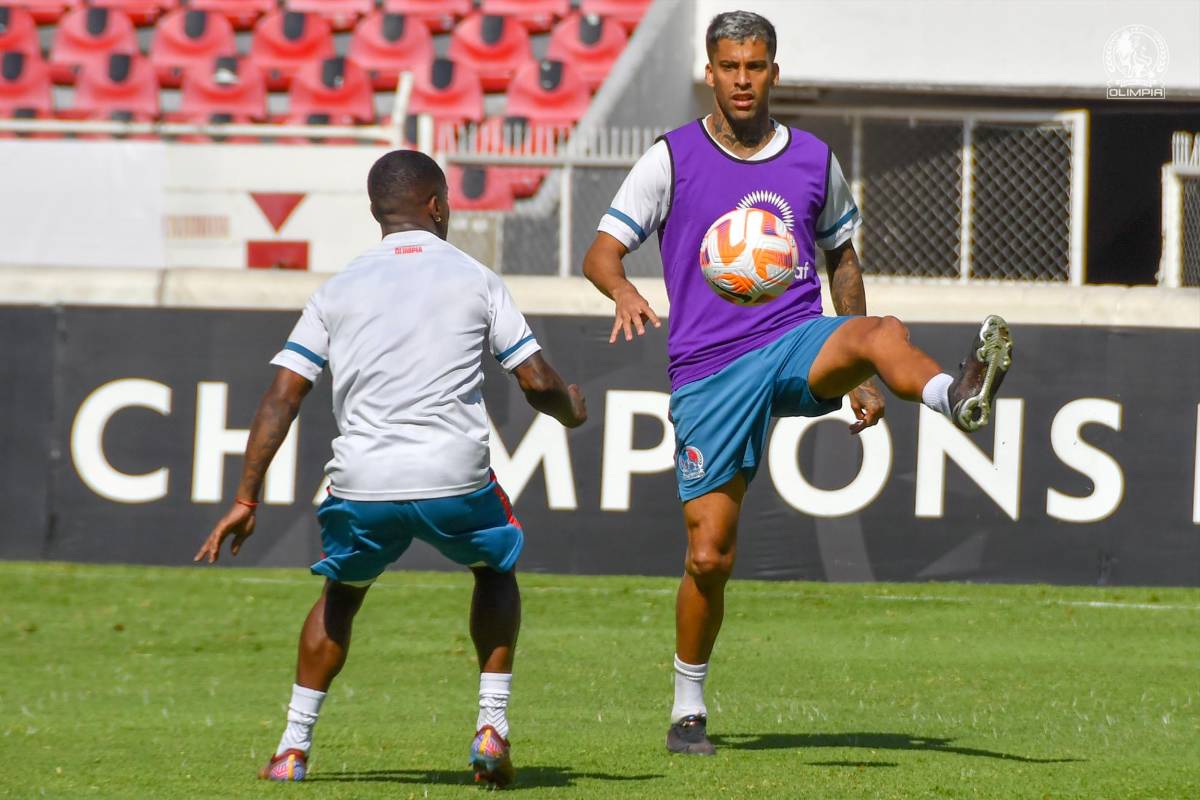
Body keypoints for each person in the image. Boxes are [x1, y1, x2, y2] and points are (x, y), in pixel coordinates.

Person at [582, 11, 1012, 756]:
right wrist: (621, 290)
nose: (742, 80)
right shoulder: (671, 159)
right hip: (709, 373)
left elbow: (843, 259)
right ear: (709, 73)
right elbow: (600, 253)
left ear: (774, 72)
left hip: (792, 341)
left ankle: (955, 398)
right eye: (729, 67)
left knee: (883, 332)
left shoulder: (814, 159)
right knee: (710, 556)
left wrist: (864, 376)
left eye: (755, 66)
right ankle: (688, 709)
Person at [194, 150, 587, 787]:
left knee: (342, 595)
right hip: (454, 478)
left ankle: (292, 749)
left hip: (362, 481)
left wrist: (246, 497)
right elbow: (537, 382)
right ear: (436, 206)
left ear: (378, 211)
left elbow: (281, 398)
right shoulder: (476, 278)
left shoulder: (338, 287)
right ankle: (492, 726)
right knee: (494, 568)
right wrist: (571, 410)